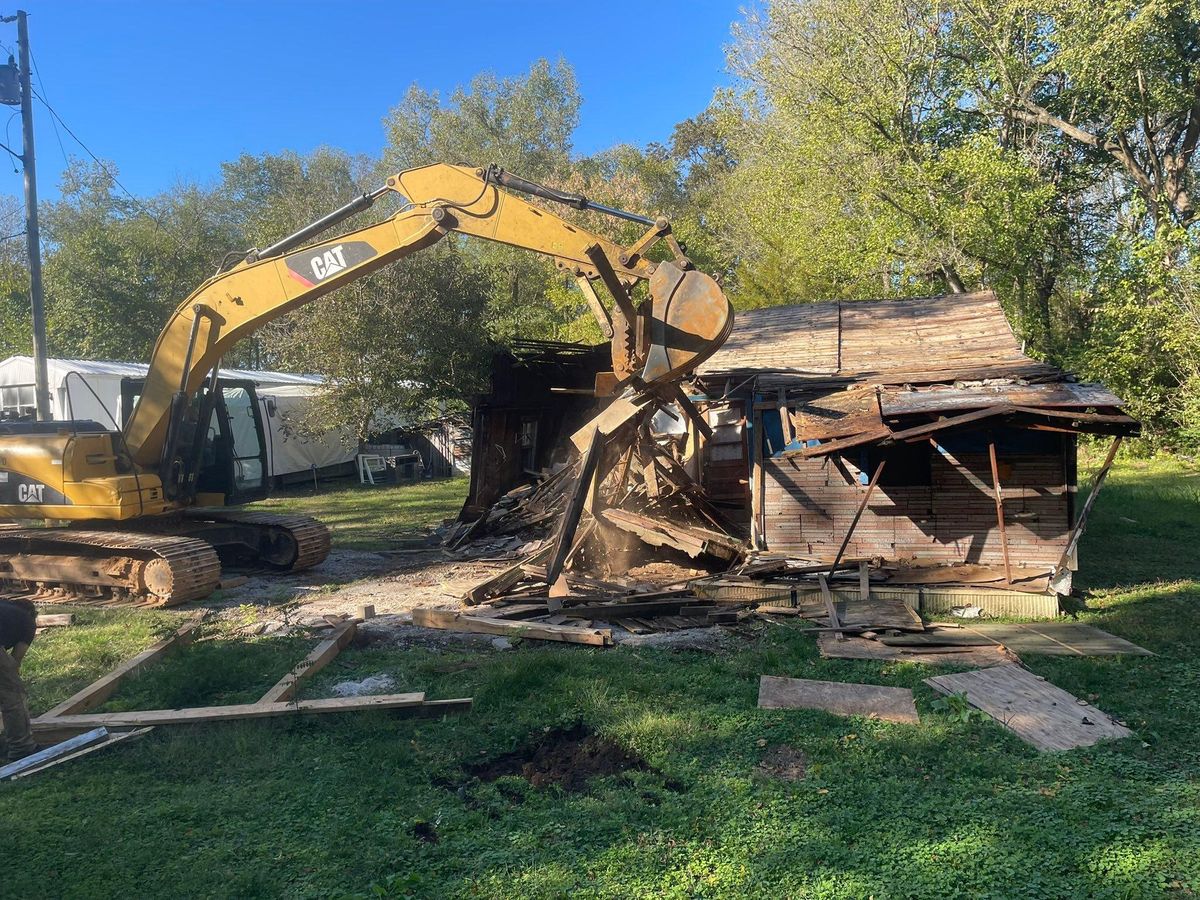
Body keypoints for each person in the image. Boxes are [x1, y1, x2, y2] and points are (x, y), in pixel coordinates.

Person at [0, 597, 37, 760]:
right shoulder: (27, 620)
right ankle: (21, 748)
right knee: (13, 695)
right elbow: (15, 662)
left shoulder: (5, 608)